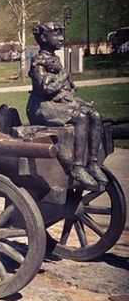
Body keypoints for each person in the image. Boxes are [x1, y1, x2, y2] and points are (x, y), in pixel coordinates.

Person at [26, 21, 106, 190]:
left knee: (95, 115)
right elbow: (46, 89)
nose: (61, 38)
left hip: (57, 103)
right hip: (42, 107)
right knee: (80, 117)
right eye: (56, 34)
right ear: (43, 37)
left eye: (61, 33)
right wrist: (64, 75)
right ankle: (77, 167)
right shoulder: (38, 61)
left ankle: (92, 163)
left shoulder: (54, 58)